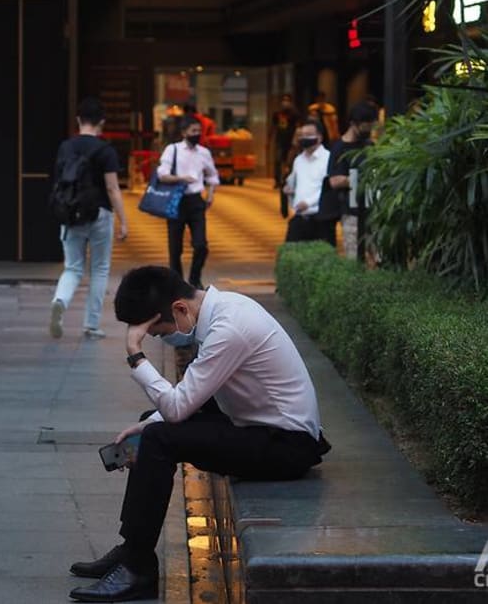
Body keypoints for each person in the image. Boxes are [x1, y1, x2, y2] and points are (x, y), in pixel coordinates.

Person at [67, 266, 329, 602]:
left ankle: (138, 568)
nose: (163, 338)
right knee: (153, 425)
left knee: (160, 437)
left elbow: (179, 408)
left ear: (179, 308)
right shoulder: (222, 310)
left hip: (286, 447)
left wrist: (135, 353)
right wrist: (147, 425)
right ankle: (132, 550)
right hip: (257, 428)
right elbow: (190, 400)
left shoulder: (229, 328)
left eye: (159, 332)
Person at [49, 97, 128, 340]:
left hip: (71, 214)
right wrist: (124, 220)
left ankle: (60, 300)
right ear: (101, 122)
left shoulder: (66, 147)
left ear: (78, 120)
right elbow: (113, 188)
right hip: (100, 214)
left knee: (72, 267)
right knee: (100, 269)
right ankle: (91, 325)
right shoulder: (105, 150)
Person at [159, 115, 219, 290]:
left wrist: (210, 194)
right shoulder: (173, 150)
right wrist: (181, 178)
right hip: (176, 201)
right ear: (184, 132)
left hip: (195, 201)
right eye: (193, 131)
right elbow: (162, 174)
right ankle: (177, 284)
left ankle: (194, 278)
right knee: (175, 248)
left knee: (201, 245)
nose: (197, 134)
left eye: (199, 131)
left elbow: (212, 175)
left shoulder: (204, 152)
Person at [325, 101, 378, 260]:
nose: (367, 131)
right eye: (364, 127)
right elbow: (334, 181)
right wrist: (359, 178)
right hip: (351, 211)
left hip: (372, 209)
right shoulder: (339, 148)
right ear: (353, 124)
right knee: (354, 256)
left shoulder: (370, 145)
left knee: (378, 256)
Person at [283, 119, 331, 243]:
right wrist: (290, 190)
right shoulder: (299, 160)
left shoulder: (328, 159)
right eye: (302, 135)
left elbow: (327, 188)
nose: (304, 138)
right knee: (292, 254)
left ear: (319, 137)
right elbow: (294, 183)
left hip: (320, 217)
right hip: (299, 216)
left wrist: (308, 203)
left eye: (308, 135)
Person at [269, 94, 300, 216]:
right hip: (280, 141)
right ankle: (278, 180)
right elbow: (273, 127)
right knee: (278, 160)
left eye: (287, 100)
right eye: (284, 100)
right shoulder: (277, 114)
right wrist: (269, 140)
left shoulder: (294, 114)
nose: (285, 103)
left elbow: (298, 126)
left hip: (291, 142)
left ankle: (288, 178)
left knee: (289, 163)